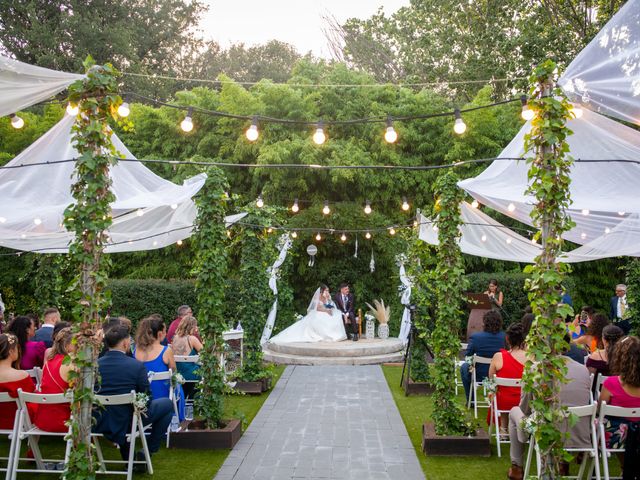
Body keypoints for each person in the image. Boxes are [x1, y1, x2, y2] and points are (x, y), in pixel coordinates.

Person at [94, 325, 174, 471]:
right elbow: (146, 397)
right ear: (125, 343)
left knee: (121, 410)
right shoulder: (135, 366)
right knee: (167, 405)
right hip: (129, 420)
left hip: (100, 419)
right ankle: (149, 450)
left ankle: (132, 459)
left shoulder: (95, 365)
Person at [507, 348, 592, 480]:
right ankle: (562, 463)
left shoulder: (534, 369)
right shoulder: (583, 369)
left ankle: (516, 467)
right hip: (579, 431)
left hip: (545, 431)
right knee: (564, 415)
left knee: (514, 412)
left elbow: (524, 409)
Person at [599, 335, 640, 477]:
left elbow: (600, 410)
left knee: (604, 424)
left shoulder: (610, 383)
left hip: (616, 439)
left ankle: (625, 466)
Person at [134, 316, 184, 419]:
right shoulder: (166, 351)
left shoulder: (136, 350)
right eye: (165, 331)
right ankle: (177, 418)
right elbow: (174, 372)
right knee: (178, 385)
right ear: (160, 334)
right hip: (162, 397)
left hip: (142, 398)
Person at [270, 285, 348, 344]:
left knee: (336, 316)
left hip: (326, 311)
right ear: (322, 291)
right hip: (318, 312)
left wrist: (328, 300)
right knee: (322, 319)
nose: (327, 292)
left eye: (328, 291)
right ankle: (326, 336)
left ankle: (336, 335)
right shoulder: (317, 298)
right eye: (326, 291)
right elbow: (317, 308)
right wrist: (326, 311)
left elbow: (330, 305)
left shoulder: (327, 297)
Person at [460, 310, 506, 402]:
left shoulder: (476, 337)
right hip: (499, 375)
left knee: (464, 367)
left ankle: (471, 400)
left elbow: (468, 356)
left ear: (485, 322)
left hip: (480, 375)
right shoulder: (505, 337)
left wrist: (472, 364)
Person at [34, 327, 74, 432]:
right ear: (67, 346)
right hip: (65, 421)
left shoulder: (48, 362)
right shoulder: (69, 363)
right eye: (76, 344)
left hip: (42, 421)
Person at [488, 322, 526, 429]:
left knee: (500, 392)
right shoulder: (531, 358)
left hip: (504, 401)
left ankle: (503, 428)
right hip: (524, 401)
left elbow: (491, 379)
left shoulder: (498, 356)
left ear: (507, 339)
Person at [0, 333, 37, 430]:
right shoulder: (21, 376)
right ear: (11, 351)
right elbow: (32, 397)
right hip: (18, 420)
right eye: (17, 348)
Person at [170, 316, 203, 399]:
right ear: (191, 326)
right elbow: (205, 353)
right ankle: (196, 398)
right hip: (191, 375)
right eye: (195, 325)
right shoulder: (192, 339)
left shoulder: (175, 338)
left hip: (178, 374)